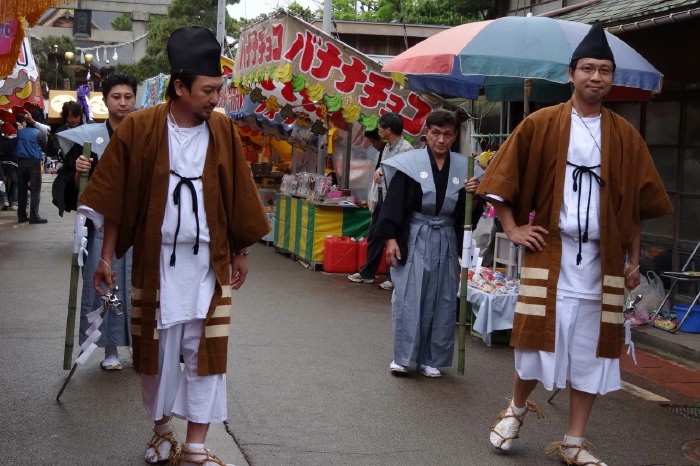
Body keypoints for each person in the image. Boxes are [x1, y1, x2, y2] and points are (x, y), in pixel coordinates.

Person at [478, 23, 672, 466]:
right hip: (551, 250)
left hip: (603, 260)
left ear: (611, 77)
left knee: (594, 350)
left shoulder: (624, 135)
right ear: (572, 74)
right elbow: (499, 182)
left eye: (605, 70)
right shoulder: (541, 123)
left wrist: (634, 259)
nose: (596, 77)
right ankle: (516, 410)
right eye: (588, 68)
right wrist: (512, 229)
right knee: (534, 339)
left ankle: (573, 441)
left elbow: (637, 206)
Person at [79, 27, 269, 466]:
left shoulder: (222, 130)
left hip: (207, 264)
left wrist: (241, 249)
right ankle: (163, 432)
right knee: (157, 356)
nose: (215, 99)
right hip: (155, 266)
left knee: (206, 354)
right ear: (180, 87)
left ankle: (197, 448)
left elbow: (238, 193)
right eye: (208, 90)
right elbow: (115, 200)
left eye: (219, 89)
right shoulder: (141, 128)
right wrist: (106, 256)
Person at [374, 109, 482, 378]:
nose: (441, 140)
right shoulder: (411, 164)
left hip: (446, 236)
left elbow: (467, 214)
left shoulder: (464, 167)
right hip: (415, 234)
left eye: (447, 134)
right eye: (435, 133)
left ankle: (432, 358)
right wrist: (390, 240)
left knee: (443, 299)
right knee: (409, 296)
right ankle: (403, 356)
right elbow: (394, 204)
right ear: (426, 134)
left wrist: (474, 196)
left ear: (455, 136)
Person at [57, 72, 138, 370]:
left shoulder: (144, 135)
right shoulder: (88, 139)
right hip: (102, 227)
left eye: (128, 96)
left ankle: (143, 348)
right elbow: (71, 189)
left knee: (143, 287)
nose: (123, 102)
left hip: (139, 225)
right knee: (107, 286)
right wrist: (79, 171)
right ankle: (110, 349)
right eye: (116, 97)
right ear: (104, 101)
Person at [348, 113, 412, 290]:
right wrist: (379, 173)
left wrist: (384, 175)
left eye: (380, 127)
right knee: (375, 233)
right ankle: (368, 272)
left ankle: (394, 277)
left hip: (396, 198)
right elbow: (385, 168)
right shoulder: (387, 147)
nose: (379, 130)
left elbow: (404, 174)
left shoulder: (406, 148)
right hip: (383, 195)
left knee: (396, 236)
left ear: (389, 130)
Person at [15, 113, 48, 224]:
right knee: (35, 190)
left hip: (21, 163)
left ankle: (21, 216)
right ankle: (34, 216)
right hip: (34, 163)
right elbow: (45, 147)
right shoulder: (39, 133)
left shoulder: (19, 132)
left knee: (22, 190)